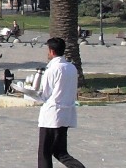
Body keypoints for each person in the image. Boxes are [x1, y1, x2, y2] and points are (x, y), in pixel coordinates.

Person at [35, 37, 86, 168]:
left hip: (51, 115)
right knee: (60, 151)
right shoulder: (72, 68)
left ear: (51, 51)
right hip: (66, 113)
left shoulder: (52, 69)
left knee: (44, 152)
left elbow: (44, 93)